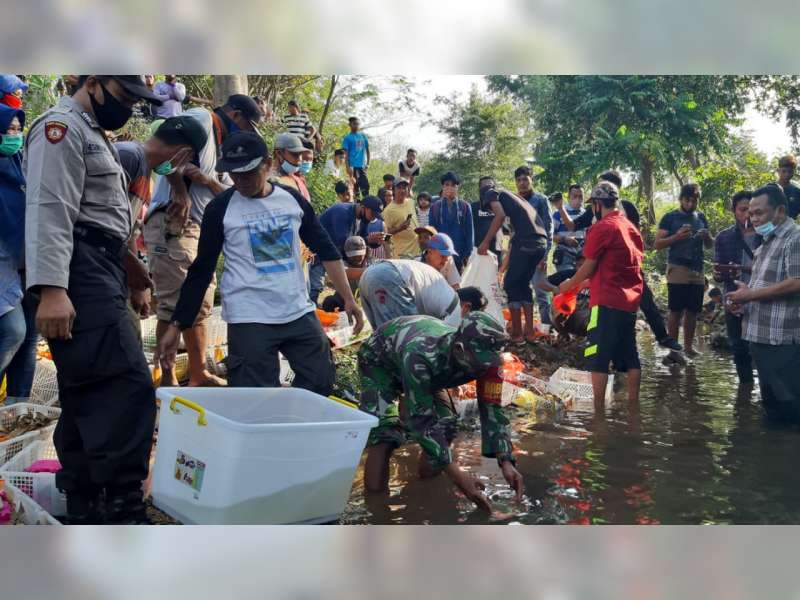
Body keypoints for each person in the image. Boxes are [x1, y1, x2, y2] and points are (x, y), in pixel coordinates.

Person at [23, 75, 164, 524]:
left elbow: (99, 214)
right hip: (77, 274)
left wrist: (131, 268)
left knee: (89, 391)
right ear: (95, 83)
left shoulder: (93, 133)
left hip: (98, 267)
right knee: (127, 389)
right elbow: (51, 208)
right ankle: (121, 509)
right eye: (123, 96)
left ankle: (87, 506)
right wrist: (52, 289)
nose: (128, 108)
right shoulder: (60, 128)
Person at [155, 132, 363, 392]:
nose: (240, 181)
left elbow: (327, 250)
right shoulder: (220, 208)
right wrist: (177, 324)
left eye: (248, 173)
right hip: (249, 317)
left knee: (320, 381)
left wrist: (349, 299)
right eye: (234, 174)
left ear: (267, 164)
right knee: (254, 396)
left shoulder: (291, 200)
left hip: (296, 311)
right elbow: (201, 269)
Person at [358, 311, 523, 511]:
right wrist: (459, 476)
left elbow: (492, 410)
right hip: (380, 363)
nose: (484, 370)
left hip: (431, 373)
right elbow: (421, 420)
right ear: (460, 349)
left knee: (446, 425)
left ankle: (425, 488)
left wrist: (505, 460)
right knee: (384, 436)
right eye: (479, 364)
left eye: (489, 363)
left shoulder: (489, 363)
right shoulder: (420, 354)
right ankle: (376, 510)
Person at [144, 95, 256, 388]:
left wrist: (206, 181)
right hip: (174, 223)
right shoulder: (199, 121)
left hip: (200, 230)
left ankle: (197, 372)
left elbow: (231, 195)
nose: (245, 131)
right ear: (234, 113)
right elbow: (159, 157)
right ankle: (168, 378)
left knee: (200, 300)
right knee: (176, 302)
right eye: (246, 124)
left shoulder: (225, 148)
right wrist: (179, 191)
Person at [556, 169, 681, 352]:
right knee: (600, 306)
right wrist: (560, 208)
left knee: (645, 300)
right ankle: (598, 344)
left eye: (604, 185)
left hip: (626, 265)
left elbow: (636, 236)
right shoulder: (594, 209)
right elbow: (573, 225)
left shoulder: (627, 208)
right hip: (599, 265)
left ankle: (661, 337)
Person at [115, 116, 208, 329]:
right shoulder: (127, 157)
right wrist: (132, 265)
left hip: (114, 268)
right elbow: (97, 223)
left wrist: (136, 287)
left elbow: (127, 232)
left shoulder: (145, 169)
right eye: (188, 160)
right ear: (184, 154)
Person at [558, 182, 644, 411]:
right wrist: (584, 284)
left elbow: (589, 265)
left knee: (598, 356)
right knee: (630, 355)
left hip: (606, 302)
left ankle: (598, 414)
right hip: (629, 303)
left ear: (597, 205)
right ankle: (634, 409)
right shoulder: (630, 228)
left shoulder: (602, 227)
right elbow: (616, 267)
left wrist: (569, 284)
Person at [727, 183, 800, 423]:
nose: (753, 219)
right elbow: (763, 287)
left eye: (759, 213)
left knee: (788, 412)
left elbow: (797, 282)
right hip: (761, 336)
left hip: (782, 340)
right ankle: (772, 457)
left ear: (779, 211)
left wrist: (750, 296)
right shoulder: (767, 241)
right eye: (750, 214)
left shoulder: (794, 238)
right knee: (771, 410)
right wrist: (744, 300)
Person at [477, 176, 548, 343]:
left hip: (527, 241)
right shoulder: (512, 196)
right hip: (541, 243)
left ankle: (517, 334)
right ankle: (529, 333)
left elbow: (499, 216)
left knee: (511, 285)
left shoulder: (490, 192)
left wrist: (485, 242)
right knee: (523, 285)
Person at [0, 104, 36, 404]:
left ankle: (16, 407)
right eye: (7, 129)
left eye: (16, 129)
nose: (13, 135)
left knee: (29, 339)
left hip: (28, 259)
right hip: (3, 262)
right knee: (14, 331)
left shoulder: (20, 162)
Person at [655, 182, 713, 357]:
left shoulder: (701, 217)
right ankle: (674, 349)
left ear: (698, 200)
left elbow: (709, 245)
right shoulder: (670, 217)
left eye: (694, 201)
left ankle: (687, 347)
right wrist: (677, 237)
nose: (690, 204)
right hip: (677, 267)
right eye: (687, 200)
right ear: (681, 199)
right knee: (676, 309)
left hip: (697, 268)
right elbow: (657, 244)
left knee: (693, 310)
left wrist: (707, 237)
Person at [713, 190, 760, 384]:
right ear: (734, 211)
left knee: (761, 346)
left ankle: (764, 391)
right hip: (734, 296)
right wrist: (721, 274)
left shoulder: (766, 235)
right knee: (739, 347)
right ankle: (745, 390)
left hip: (761, 295)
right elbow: (718, 273)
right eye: (742, 210)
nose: (747, 215)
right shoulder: (724, 237)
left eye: (751, 210)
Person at [358, 259, 462, 329]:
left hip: (369, 273)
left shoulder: (447, 294)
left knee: (382, 336)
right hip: (389, 276)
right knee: (405, 337)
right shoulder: (456, 312)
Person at [514, 166, 553, 327]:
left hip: (537, 255)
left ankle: (546, 328)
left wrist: (544, 256)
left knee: (541, 292)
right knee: (519, 293)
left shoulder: (541, 200)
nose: (522, 183)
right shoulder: (514, 200)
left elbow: (549, 229)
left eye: (525, 179)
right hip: (520, 255)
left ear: (532, 180)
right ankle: (525, 328)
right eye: (519, 180)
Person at [311, 194, 365, 304]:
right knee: (315, 286)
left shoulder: (354, 216)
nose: (372, 218)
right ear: (364, 208)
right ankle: (312, 309)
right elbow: (344, 242)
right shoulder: (342, 212)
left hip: (330, 251)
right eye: (372, 214)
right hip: (318, 251)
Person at [536, 249, 591, 338]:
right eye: (579, 265)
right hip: (569, 315)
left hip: (588, 318)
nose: (581, 268)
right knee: (560, 300)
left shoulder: (597, 279)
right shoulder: (569, 274)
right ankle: (564, 335)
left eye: (585, 265)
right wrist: (556, 289)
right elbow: (542, 283)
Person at [429, 171, 474, 271]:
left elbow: (469, 233)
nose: (450, 188)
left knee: (457, 285)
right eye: (447, 185)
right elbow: (432, 233)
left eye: (453, 185)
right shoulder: (435, 207)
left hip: (459, 254)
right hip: (439, 256)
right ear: (442, 187)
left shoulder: (465, 206)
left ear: (457, 187)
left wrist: (467, 254)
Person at [553, 184, 587, 272]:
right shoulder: (558, 214)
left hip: (582, 257)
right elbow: (550, 235)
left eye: (580, 197)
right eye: (574, 196)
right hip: (564, 255)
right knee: (567, 278)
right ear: (568, 197)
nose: (578, 199)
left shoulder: (587, 215)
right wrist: (564, 239)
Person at [382, 178, 419, 258]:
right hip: (401, 255)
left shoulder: (411, 202)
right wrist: (399, 228)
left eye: (404, 187)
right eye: (399, 188)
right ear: (393, 190)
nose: (402, 190)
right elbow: (384, 237)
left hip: (416, 252)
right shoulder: (388, 211)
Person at [271, 132, 310, 201]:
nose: (299, 159)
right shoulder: (267, 181)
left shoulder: (299, 180)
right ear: (278, 153)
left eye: (301, 154)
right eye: (295, 154)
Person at [342, 116, 370, 200]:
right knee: (355, 187)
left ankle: (366, 203)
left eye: (358, 124)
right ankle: (357, 205)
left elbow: (368, 150)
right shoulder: (347, 138)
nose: (356, 126)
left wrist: (368, 163)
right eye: (354, 124)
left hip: (362, 166)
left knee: (365, 186)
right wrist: (347, 167)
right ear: (350, 125)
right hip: (352, 166)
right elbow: (345, 154)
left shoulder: (363, 136)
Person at [359, 195, 391, 261]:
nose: (373, 216)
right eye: (373, 213)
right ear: (365, 208)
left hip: (380, 257)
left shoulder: (382, 223)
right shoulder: (361, 223)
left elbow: (387, 241)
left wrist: (389, 259)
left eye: (376, 214)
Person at [776, 154, 800, 219]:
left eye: (790, 172)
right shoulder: (769, 189)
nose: (787, 174)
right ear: (778, 171)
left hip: (790, 227)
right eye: (784, 171)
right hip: (770, 226)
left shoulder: (796, 191)